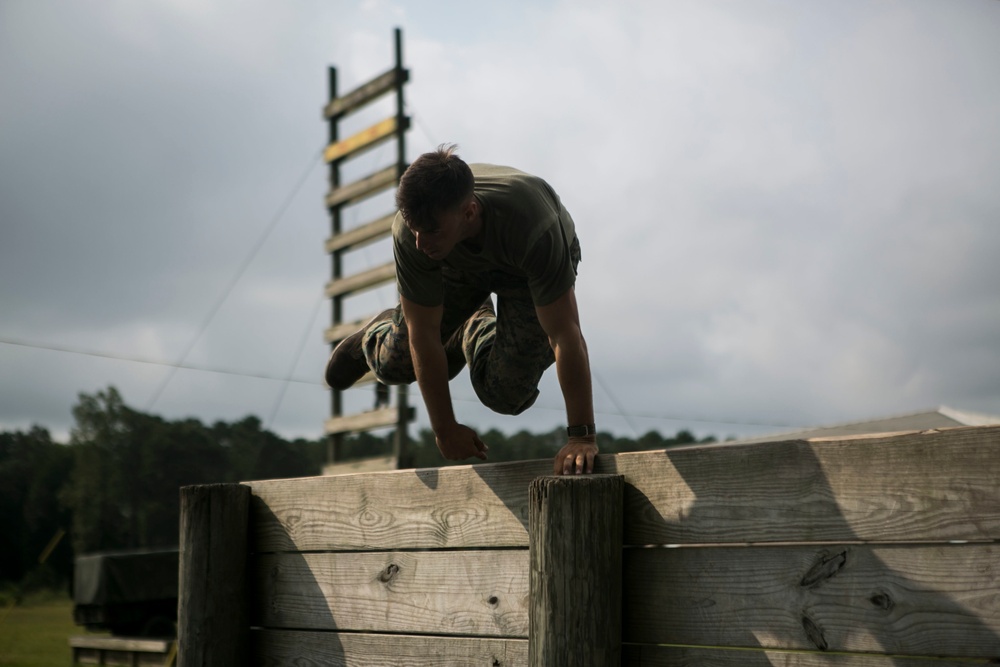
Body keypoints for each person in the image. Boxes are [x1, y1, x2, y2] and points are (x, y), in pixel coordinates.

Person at [325, 145, 597, 475]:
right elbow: (422, 335)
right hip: (454, 263)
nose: (420, 243)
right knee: (394, 364)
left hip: (525, 271)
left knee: (506, 395)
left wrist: (581, 437)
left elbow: (565, 336)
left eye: (431, 231)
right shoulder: (416, 236)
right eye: (414, 229)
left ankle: (473, 325)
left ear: (468, 213)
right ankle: (373, 337)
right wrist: (445, 428)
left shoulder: (532, 225)